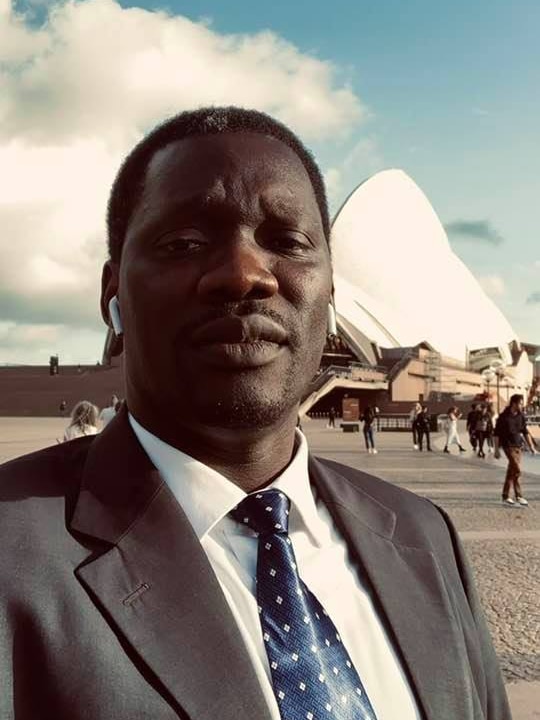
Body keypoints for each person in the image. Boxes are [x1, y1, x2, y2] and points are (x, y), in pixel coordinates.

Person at [0, 107, 510, 720]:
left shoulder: (425, 536)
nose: (244, 275)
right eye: (185, 243)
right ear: (113, 296)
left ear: (330, 294)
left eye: (289, 243)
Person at [494, 393, 537, 506]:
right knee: (517, 470)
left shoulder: (521, 416)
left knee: (511, 471)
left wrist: (531, 446)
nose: (522, 405)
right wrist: (496, 450)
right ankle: (519, 496)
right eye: (521, 403)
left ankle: (505, 496)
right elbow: (496, 434)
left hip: (518, 445)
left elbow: (525, 432)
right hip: (507, 446)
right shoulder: (503, 417)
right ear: (514, 403)